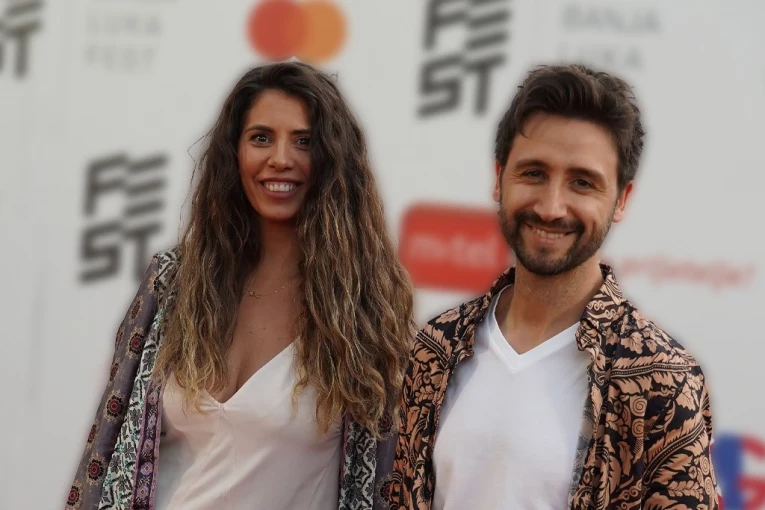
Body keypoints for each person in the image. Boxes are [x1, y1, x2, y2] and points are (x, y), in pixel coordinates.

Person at [67, 61, 414, 510]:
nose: (281, 158)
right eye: (261, 138)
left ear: (332, 157)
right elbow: (105, 449)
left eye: (304, 141)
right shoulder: (174, 284)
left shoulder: (362, 308)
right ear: (234, 152)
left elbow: (387, 481)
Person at [389, 64, 718, 509]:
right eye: (534, 173)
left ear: (621, 199)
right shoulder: (436, 347)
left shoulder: (664, 380)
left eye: (582, 182)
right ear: (499, 178)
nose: (550, 207)